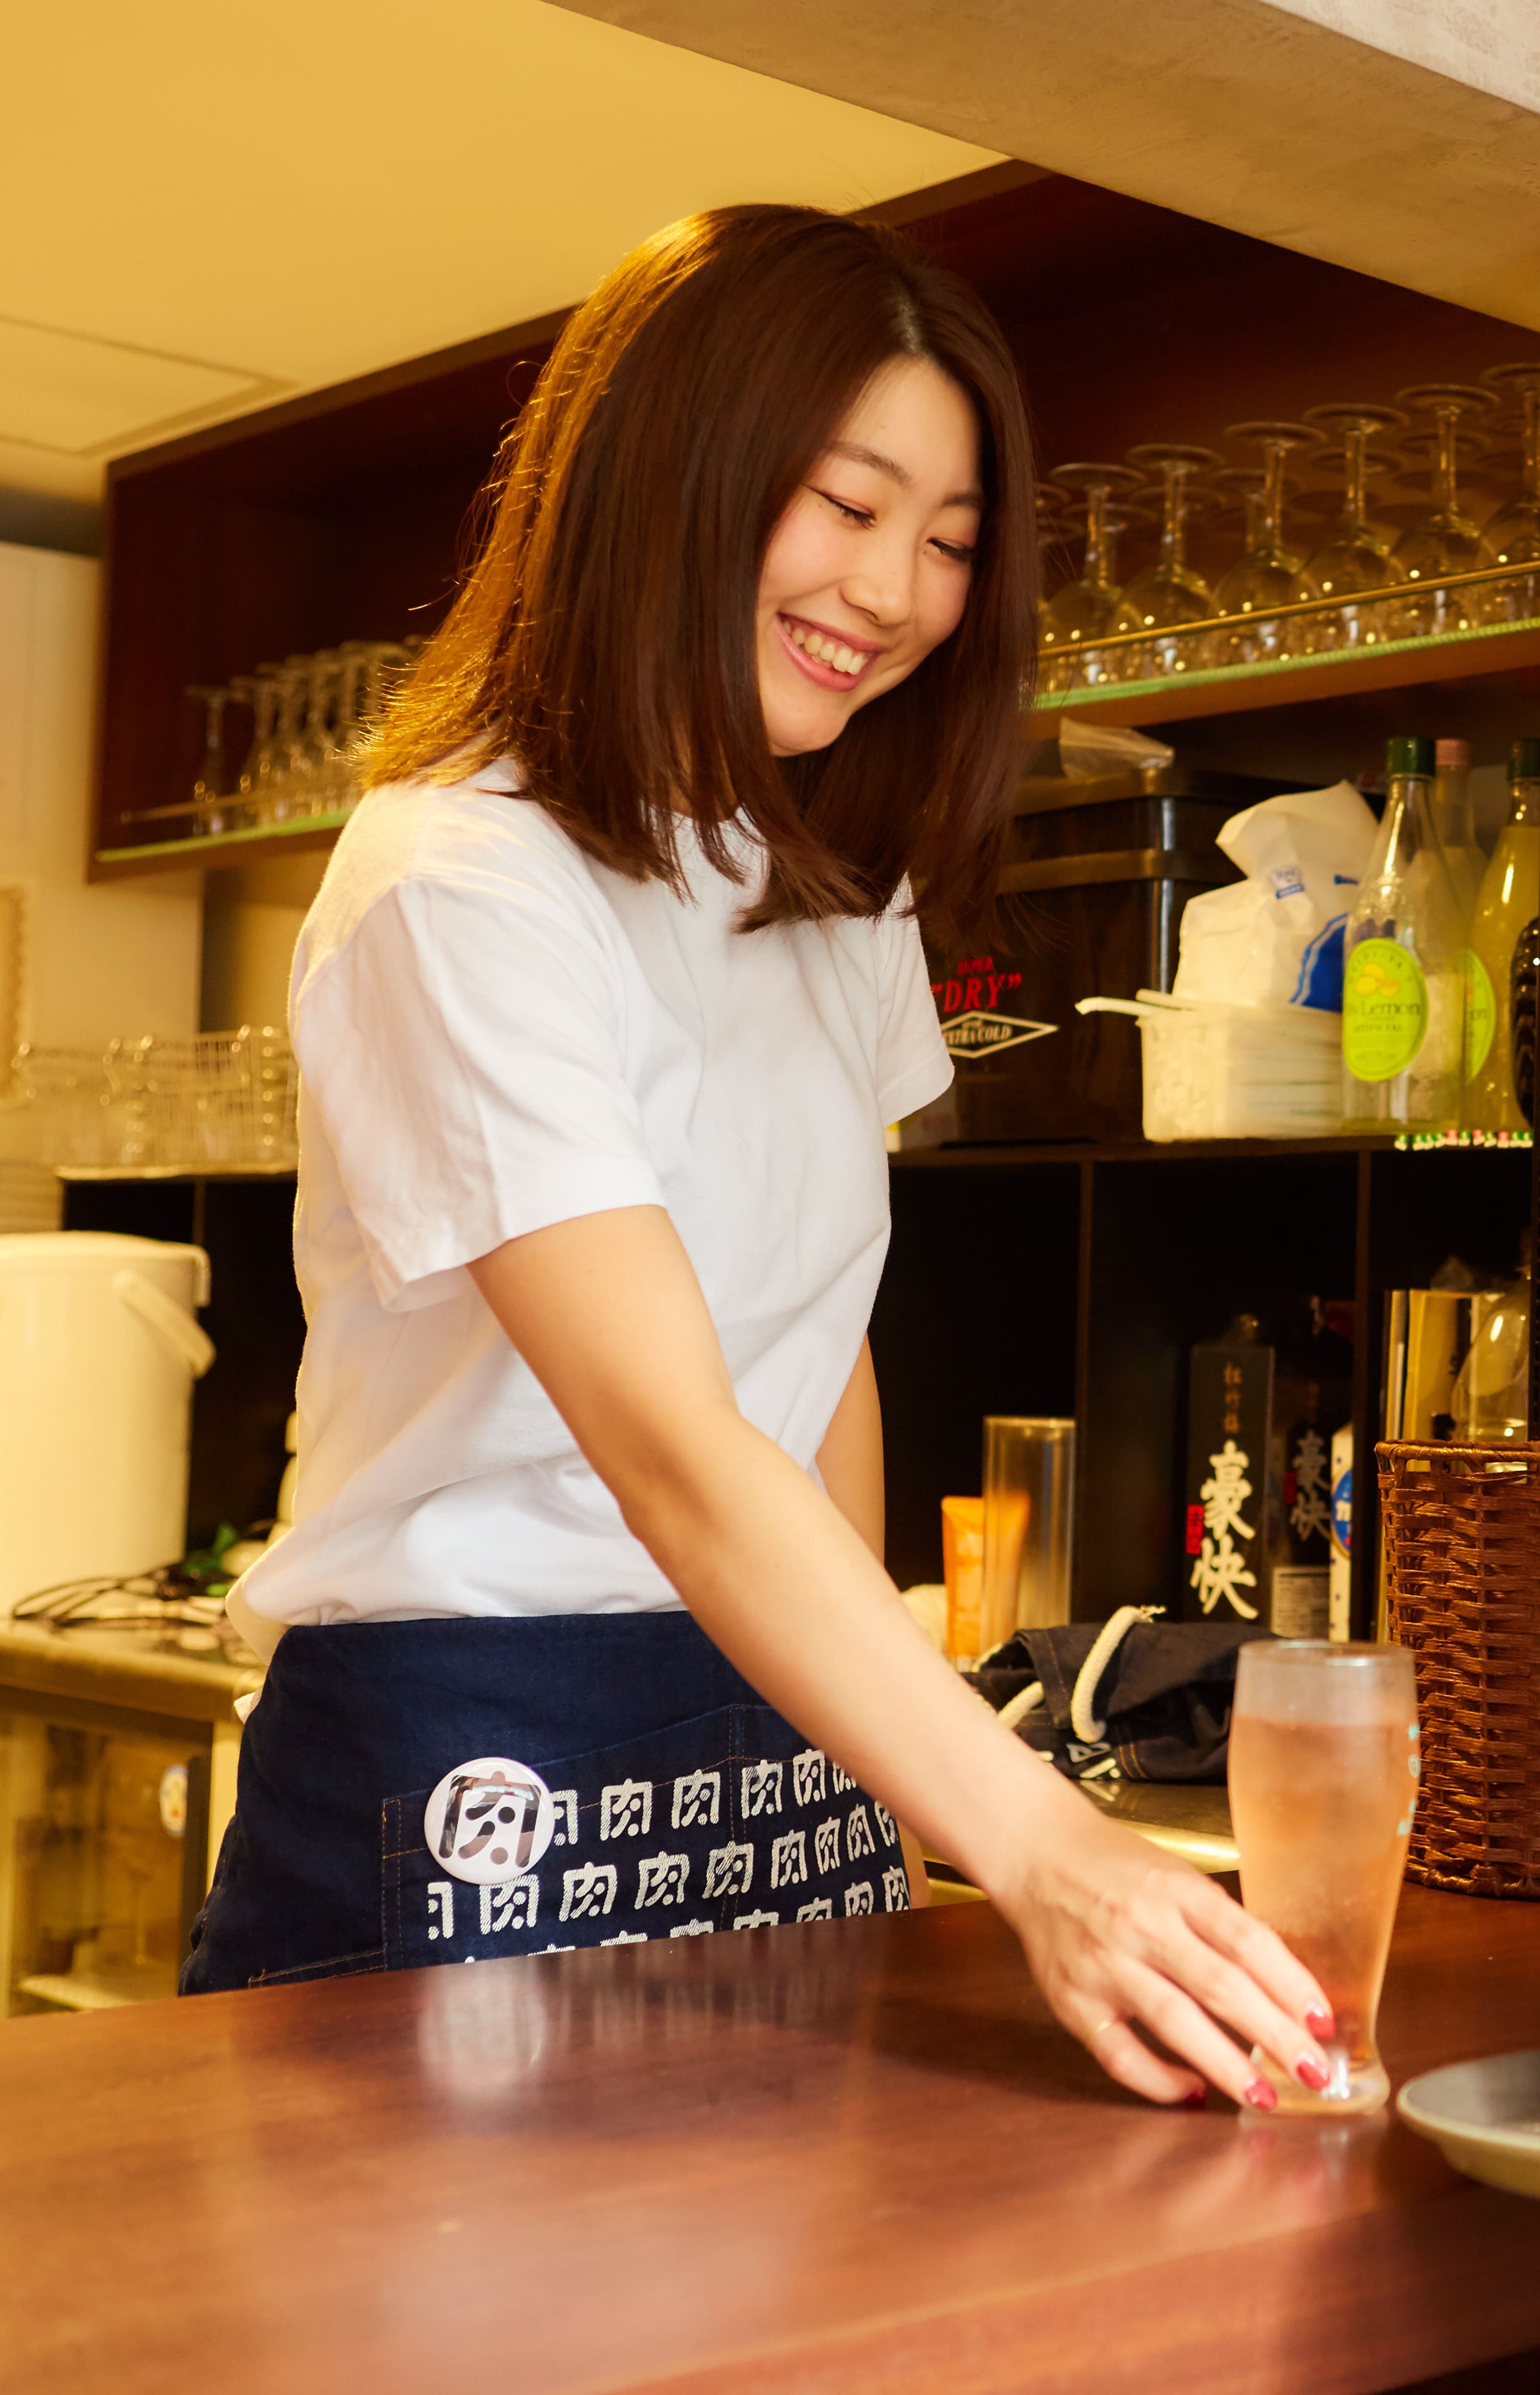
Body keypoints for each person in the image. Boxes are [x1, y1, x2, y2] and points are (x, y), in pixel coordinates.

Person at [189, 206, 1337, 2117]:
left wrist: (871, 1791)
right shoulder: (458, 881)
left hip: (774, 1718)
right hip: (479, 1747)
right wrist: (1028, 1838)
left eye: (953, 543)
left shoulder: (833, 893)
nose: (893, 590)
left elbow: (816, 1353)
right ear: (675, 474)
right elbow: (675, 1448)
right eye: (849, 503)